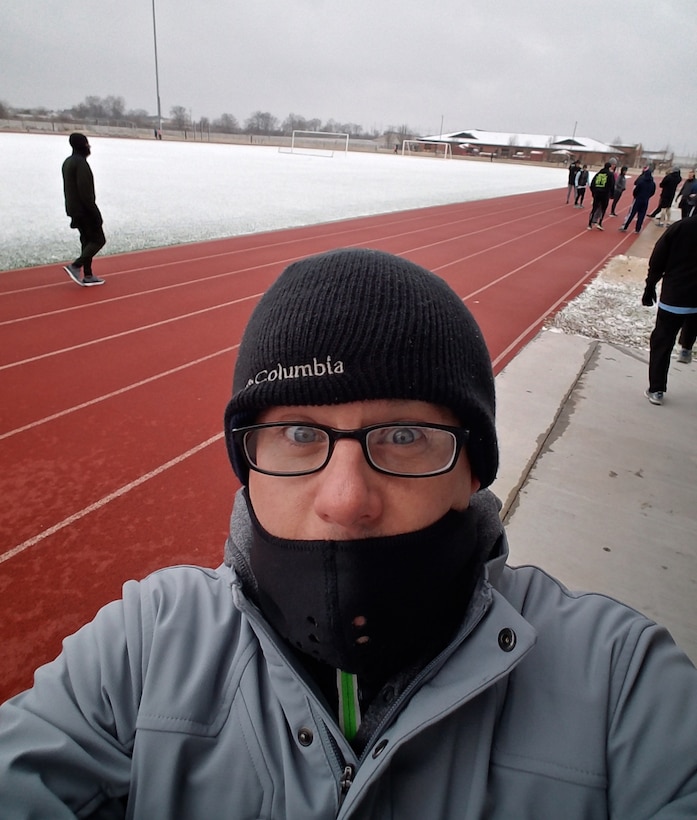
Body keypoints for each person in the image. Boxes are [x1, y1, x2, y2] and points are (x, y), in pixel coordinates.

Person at [1, 248, 696, 818]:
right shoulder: (146, 647)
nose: (344, 499)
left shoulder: (619, 684)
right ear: (247, 464)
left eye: (404, 436)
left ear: (472, 471)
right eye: (299, 435)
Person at [642, 215, 697, 404]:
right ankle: (686, 347)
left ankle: (656, 389)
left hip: (675, 295)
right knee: (692, 318)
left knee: (662, 341)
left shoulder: (680, 228)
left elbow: (658, 257)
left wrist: (650, 285)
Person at [61, 132, 106, 287]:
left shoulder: (68, 162)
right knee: (98, 240)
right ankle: (76, 266)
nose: (89, 146)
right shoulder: (80, 164)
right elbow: (85, 192)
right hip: (84, 209)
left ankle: (88, 274)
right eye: (87, 143)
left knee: (87, 241)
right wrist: (95, 213)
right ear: (83, 145)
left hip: (74, 208)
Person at [620, 164, 656, 233]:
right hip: (645, 200)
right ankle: (638, 229)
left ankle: (625, 226)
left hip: (638, 199)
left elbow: (636, 190)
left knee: (632, 213)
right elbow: (653, 192)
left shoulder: (641, 182)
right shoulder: (652, 184)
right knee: (641, 215)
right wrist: (648, 196)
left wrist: (636, 196)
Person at [587, 158, 616, 230]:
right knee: (603, 209)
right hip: (605, 194)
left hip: (597, 194)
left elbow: (592, 184)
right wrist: (612, 194)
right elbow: (612, 185)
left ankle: (589, 224)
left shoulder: (598, 174)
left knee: (594, 209)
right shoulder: (610, 174)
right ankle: (600, 222)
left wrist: (594, 192)